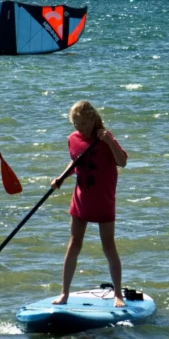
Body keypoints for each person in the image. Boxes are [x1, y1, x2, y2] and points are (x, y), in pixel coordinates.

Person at [51, 101, 128, 308]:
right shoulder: (72, 139)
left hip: (103, 199)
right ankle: (64, 293)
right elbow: (76, 161)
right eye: (76, 124)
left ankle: (118, 294)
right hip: (81, 198)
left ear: (93, 120)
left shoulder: (105, 138)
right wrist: (61, 178)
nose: (80, 129)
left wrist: (110, 141)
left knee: (108, 246)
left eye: (84, 124)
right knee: (74, 243)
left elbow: (122, 161)